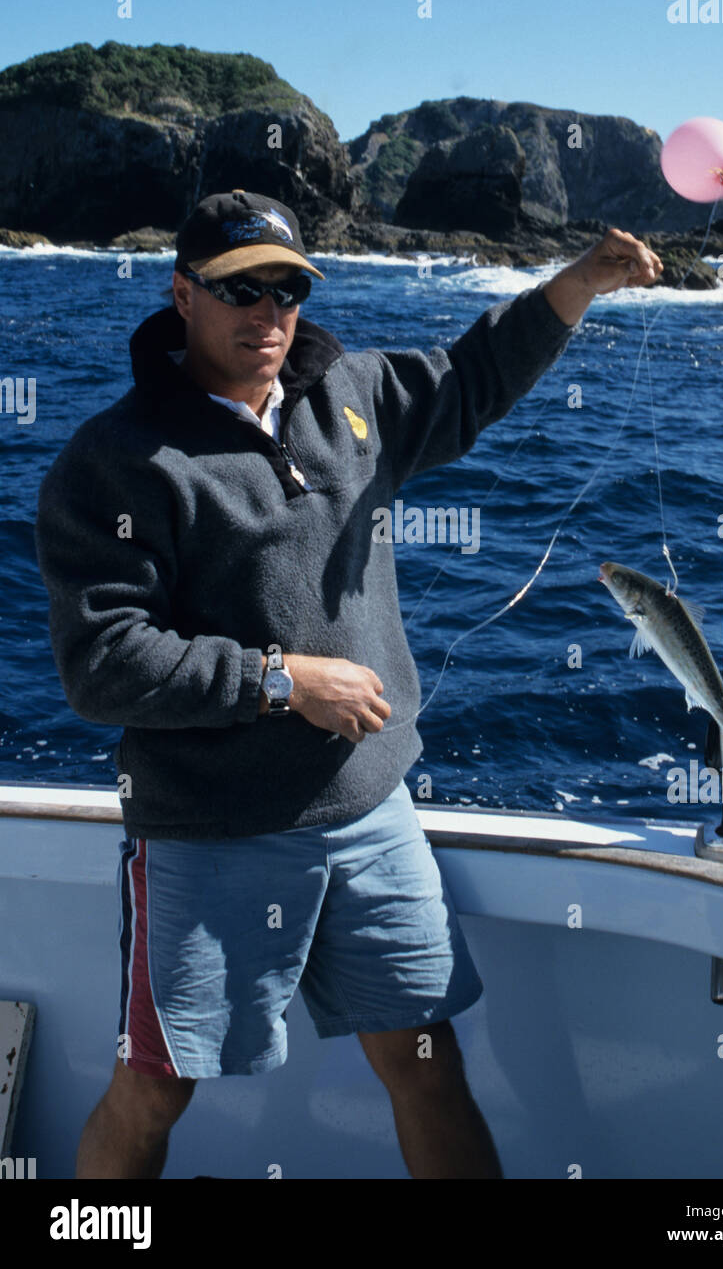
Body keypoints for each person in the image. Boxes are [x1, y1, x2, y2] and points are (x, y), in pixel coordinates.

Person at [34, 188, 662, 1180]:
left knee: (424, 1060)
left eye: (287, 287)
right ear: (181, 295)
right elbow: (103, 661)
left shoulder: (353, 397)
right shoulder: (113, 462)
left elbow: (471, 377)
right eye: (239, 290)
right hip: (210, 828)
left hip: (372, 815)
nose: (268, 312)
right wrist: (281, 680)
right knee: (154, 1087)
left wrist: (579, 282)